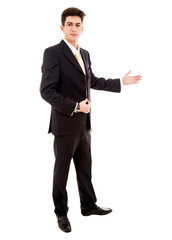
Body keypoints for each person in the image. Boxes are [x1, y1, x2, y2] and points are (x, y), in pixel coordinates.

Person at [40, 7, 142, 233]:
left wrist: (119, 82)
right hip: (65, 124)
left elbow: (92, 81)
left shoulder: (84, 53)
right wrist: (76, 107)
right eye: (69, 24)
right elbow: (46, 91)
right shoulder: (53, 53)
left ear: (82, 28)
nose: (74, 28)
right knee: (61, 173)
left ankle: (88, 205)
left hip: (84, 125)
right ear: (62, 27)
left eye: (77, 25)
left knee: (85, 169)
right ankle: (61, 214)